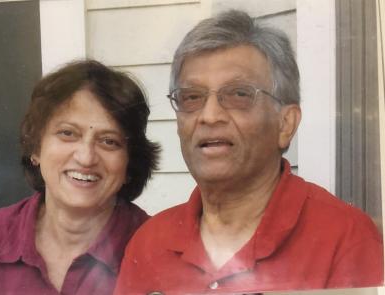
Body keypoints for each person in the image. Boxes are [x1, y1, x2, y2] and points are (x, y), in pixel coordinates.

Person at [114, 9, 383, 294]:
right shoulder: (150, 243)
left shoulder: (343, 238)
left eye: (239, 94)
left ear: (285, 123)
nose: (210, 115)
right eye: (192, 97)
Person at [0, 60, 160, 295]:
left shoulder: (157, 249)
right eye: (67, 133)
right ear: (36, 148)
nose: (86, 157)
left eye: (109, 141)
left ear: (129, 164)